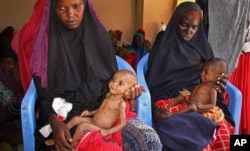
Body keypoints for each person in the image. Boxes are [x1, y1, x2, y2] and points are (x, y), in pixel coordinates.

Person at [13, 0, 162, 150]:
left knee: (148, 140)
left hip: (108, 114)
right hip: (67, 119)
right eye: (62, 8)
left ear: (86, 6)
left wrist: (128, 93)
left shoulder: (100, 37)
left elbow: (114, 83)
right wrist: (54, 123)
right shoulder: (45, 47)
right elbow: (45, 101)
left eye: (76, 6)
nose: (70, 14)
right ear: (53, 9)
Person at [146, 2, 235, 151]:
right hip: (171, 102)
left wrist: (218, 85)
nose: (189, 31)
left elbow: (213, 80)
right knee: (198, 142)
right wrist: (153, 108)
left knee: (229, 140)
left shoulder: (204, 49)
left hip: (202, 102)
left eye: (194, 27)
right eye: (184, 25)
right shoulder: (163, 49)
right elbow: (151, 86)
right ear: (175, 23)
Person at [45, 69, 138, 150]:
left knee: (83, 126)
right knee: (76, 119)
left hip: (102, 127)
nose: (114, 84)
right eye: (114, 79)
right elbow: (102, 109)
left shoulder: (121, 104)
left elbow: (123, 123)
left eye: (120, 83)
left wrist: (108, 132)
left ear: (128, 90)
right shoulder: (109, 95)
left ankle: (71, 147)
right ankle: (60, 138)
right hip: (94, 120)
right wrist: (90, 112)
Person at [159, 58, 227, 123]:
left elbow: (212, 105)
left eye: (206, 72)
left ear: (216, 77)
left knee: (192, 106)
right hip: (189, 103)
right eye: (202, 70)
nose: (201, 73)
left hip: (197, 109)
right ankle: (167, 108)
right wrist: (189, 93)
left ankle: (172, 114)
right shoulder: (202, 84)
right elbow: (198, 94)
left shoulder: (212, 90)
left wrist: (202, 106)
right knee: (181, 97)